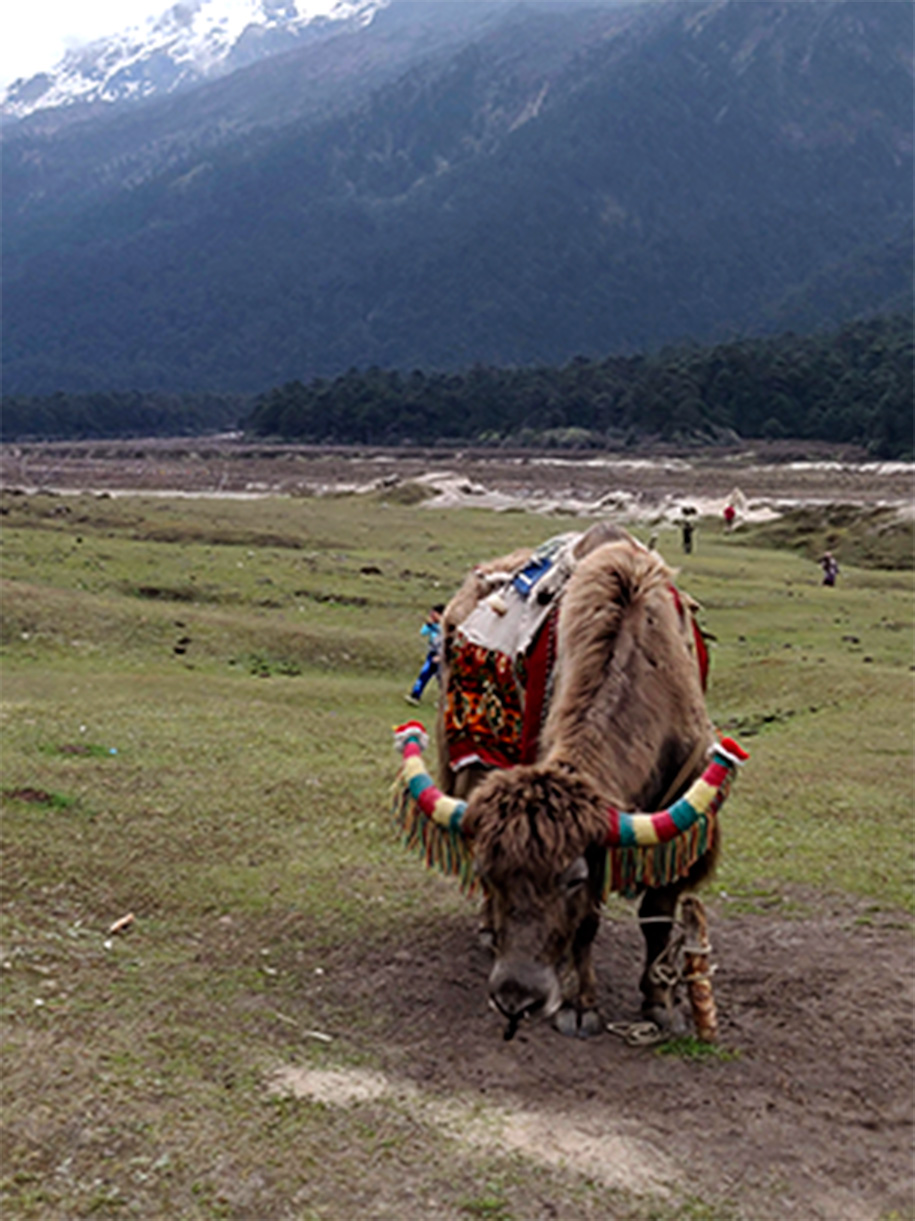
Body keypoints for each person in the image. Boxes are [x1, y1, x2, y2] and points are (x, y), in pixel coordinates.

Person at [406, 604, 445, 705]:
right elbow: (423, 632)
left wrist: (441, 657)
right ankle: (415, 696)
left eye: (434, 614)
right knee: (424, 674)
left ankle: (444, 700)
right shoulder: (432, 625)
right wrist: (429, 624)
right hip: (432, 653)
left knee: (442, 679)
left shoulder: (446, 628)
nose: (431, 615)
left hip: (443, 656)